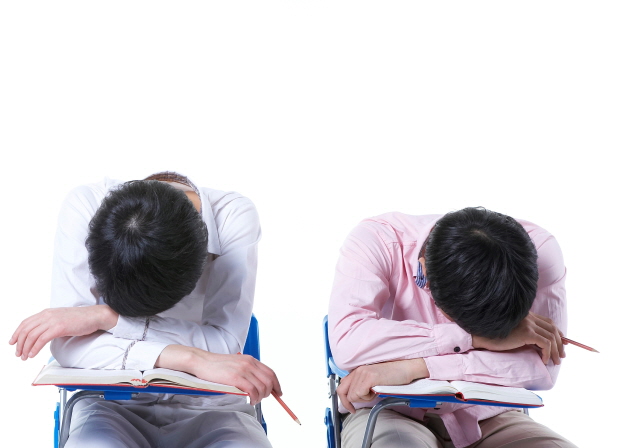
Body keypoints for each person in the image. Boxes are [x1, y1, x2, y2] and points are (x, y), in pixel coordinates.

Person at [10, 172, 280, 448]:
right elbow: (70, 346)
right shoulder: (84, 205)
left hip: (213, 406)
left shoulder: (233, 218)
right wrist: (191, 358)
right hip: (110, 402)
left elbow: (224, 344)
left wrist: (108, 319)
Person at [328, 207, 578, 448]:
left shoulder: (541, 251)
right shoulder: (377, 240)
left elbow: (541, 368)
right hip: (388, 409)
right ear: (424, 271)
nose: (482, 334)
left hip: (488, 413)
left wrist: (415, 367)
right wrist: (471, 338)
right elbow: (349, 343)